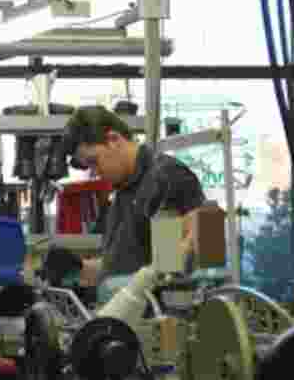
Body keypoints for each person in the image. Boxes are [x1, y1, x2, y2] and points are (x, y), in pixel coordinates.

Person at [60, 105, 205, 287]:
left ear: (113, 139)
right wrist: (78, 267)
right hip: (125, 309)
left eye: (94, 161)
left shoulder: (165, 179)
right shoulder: (123, 191)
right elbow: (118, 270)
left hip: (156, 313)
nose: (95, 172)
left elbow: (178, 264)